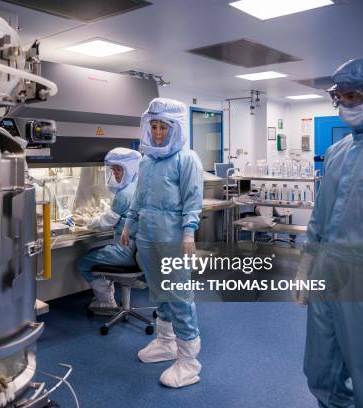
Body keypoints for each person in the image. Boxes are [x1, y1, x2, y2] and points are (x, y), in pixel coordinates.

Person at [298, 58, 363, 407]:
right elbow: (320, 218)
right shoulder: (337, 152)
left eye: (353, 96)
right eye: (340, 97)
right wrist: (305, 266)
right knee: (319, 369)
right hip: (329, 274)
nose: (346, 105)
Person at [120, 97, 204, 388]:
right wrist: (129, 224)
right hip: (147, 236)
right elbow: (138, 197)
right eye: (153, 126)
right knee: (159, 290)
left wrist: (189, 232)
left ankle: (189, 360)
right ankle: (166, 341)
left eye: (163, 127)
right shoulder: (147, 161)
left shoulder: (187, 159)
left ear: (176, 128)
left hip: (173, 237)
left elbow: (193, 200)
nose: (157, 132)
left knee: (179, 296)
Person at [75, 147, 141, 310]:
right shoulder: (140, 188)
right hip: (141, 253)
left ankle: (106, 301)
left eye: (119, 170)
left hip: (125, 254)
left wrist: (86, 221)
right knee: (100, 250)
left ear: (130, 169)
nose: (115, 174)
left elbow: (106, 223)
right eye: (113, 169)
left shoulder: (124, 194)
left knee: (83, 262)